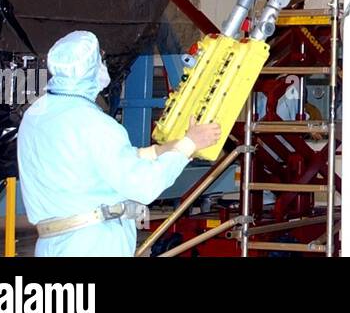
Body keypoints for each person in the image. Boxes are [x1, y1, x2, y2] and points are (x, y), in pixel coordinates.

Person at [17, 31, 220, 256]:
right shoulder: (95, 123)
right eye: (100, 60)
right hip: (93, 244)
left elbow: (95, 160)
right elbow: (145, 186)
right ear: (92, 68)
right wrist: (188, 145)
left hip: (50, 244)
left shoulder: (35, 114)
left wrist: (162, 149)